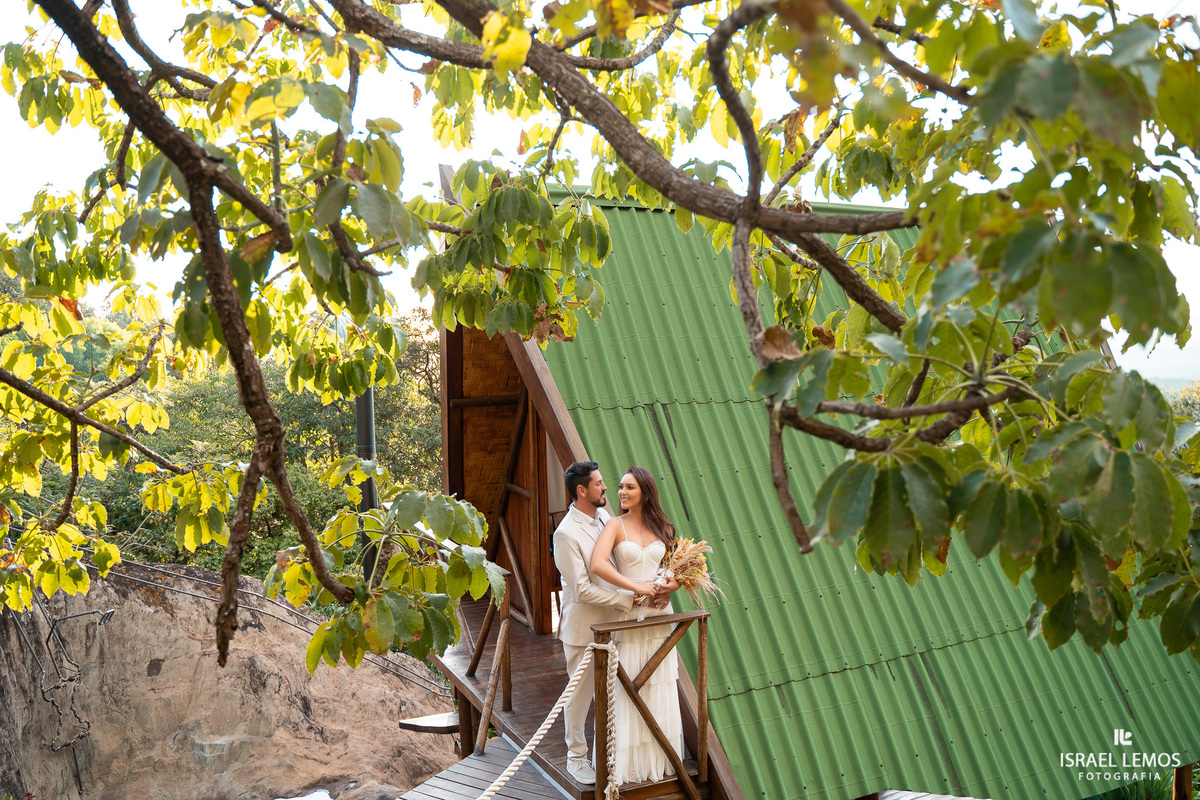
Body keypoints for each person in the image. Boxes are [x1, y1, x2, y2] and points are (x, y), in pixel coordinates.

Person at [552, 461, 664, 785]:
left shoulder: (604, 516)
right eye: (599, 484)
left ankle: (613, 754)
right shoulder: (565, 534)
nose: (606, 488)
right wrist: (628, 598)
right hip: (583, 628)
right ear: (581, 491)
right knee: (580, 695)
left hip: (617, 625)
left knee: (614, 694)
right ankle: (575, 757)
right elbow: (583, 589)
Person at [589, 466, 685, 785]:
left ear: (645, 491)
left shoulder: (662, 527)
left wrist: (669, 587)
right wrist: (635, 587)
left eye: (629, 487)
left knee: (657, 685)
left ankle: (657, 761)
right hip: (630, 615)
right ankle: (626, 767)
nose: (621, 492)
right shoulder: (615, 525)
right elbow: (598, 564)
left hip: (658, 618)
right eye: (620, 487)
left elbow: (677, 571)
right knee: (628, 687)